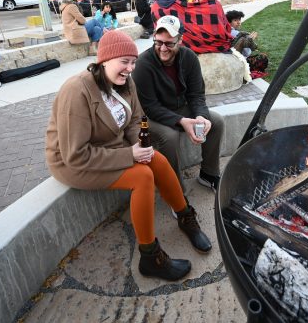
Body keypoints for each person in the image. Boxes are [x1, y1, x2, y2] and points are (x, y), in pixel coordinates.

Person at [45, 30, 211, 281]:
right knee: (142, 176)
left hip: (114, 147)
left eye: (133, 62)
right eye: (124, 61)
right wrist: (129, 155)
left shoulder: (125, 81)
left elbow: (136, 120)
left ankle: (186, 218)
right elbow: (74, 155)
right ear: (104, 60)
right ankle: (150, 257)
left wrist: (140, 147)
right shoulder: (77, 91)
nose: (130, 68)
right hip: (75, 162)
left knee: (157, 159)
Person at [132, 15, 224, 193]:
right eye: (158, 42)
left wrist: (200, 117)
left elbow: (196, 94)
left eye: (169, 43)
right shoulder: (143, 64)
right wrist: (181, 121)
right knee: (170, 136)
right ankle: (175, 190)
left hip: (179, 108)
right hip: (150, 116)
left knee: (216, 122)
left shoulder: (189, 57)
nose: (163, 48)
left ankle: (208, 174)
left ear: (180, 40)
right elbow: (150, 107)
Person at [225, 10, 268, 78]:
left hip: (227, 60)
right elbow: (247, 53)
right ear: (229, 22)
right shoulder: (237, 33)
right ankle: (251, 71)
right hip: (238, 61)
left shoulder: (225, 31)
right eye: (235, 20)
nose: (239, 22)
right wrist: (250, 40)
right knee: (263, 57)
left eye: (239, 20)